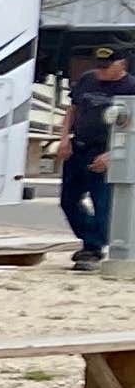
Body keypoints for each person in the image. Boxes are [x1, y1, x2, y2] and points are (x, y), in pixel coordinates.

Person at [66, 42, 132, 269]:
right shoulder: (88, 79)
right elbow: (73, 109)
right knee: (68, 200)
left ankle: (93, 248)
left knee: (102, 203)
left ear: (122, 64)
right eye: (98, 66)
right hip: (79, 147)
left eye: (106, 67)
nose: (100, 71)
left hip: (105, 151)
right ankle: (91, 239)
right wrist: (64, 138)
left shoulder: (131, 87)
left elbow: (131, 127)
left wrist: (112, 154)